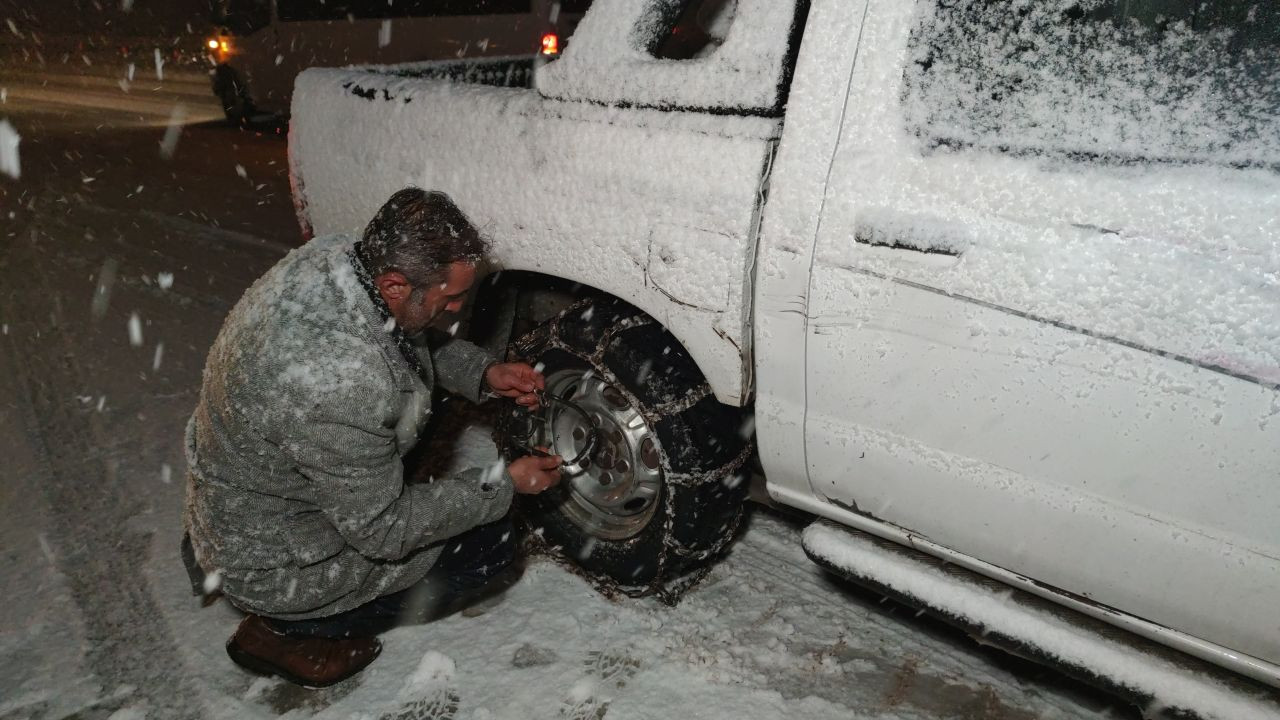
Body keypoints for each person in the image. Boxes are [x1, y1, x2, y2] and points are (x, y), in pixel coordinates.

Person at [181, 188, 562, 688]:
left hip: (241, 498)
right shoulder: (342, 385)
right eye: (450, 297)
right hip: (271, 560)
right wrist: (505, 482)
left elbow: (400, 334)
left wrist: (484, 373)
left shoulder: (337, 258)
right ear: (396, 283)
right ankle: (283, 629)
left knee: (407, 422)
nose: (457, 309)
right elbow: (385, 531)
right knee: (489, 546)